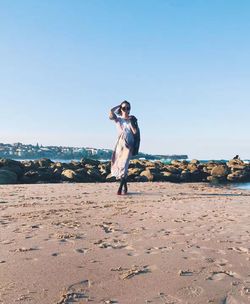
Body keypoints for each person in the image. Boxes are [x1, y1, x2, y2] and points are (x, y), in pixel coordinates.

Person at [109, 101, 140, 195]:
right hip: (119, 145)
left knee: (124, 166)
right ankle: (125, 186)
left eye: (128, 108)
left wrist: (133, 122)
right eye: (124, 108)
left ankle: (119, 189)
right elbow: (110, 113)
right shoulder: (118, 120)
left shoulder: (131, 120)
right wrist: (118, 106)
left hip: (128, 145)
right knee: (119, 166)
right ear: (121, 109)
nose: (126, 110)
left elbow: (135, 132)